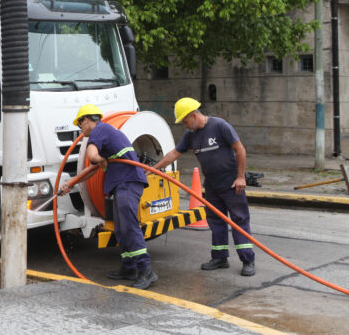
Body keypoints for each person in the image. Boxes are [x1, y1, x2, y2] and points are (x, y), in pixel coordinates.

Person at [152, 97, 255, 277]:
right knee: (216, 222)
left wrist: (240, 177)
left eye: (185, 121)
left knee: (239, 220)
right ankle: (220, 257)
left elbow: (240, 150)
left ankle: (247, 260)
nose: (185, 125)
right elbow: (175, 153)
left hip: (232, 184)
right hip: (212, 186)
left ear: (194, 115)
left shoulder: (220, 126)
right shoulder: (191, 135)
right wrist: (153, 169)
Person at [60, 104, 157, 290]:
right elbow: (92, 168)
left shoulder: (99, 130)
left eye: (80, 125)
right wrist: (70, 184)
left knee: (129, 226)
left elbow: (92, 155)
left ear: (86, 120)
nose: (81, 130)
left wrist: (98, 158)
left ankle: (146, 271)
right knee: (121, 228)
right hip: (123, 184)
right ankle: (129, 268)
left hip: (128, 182)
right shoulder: (105, 134)